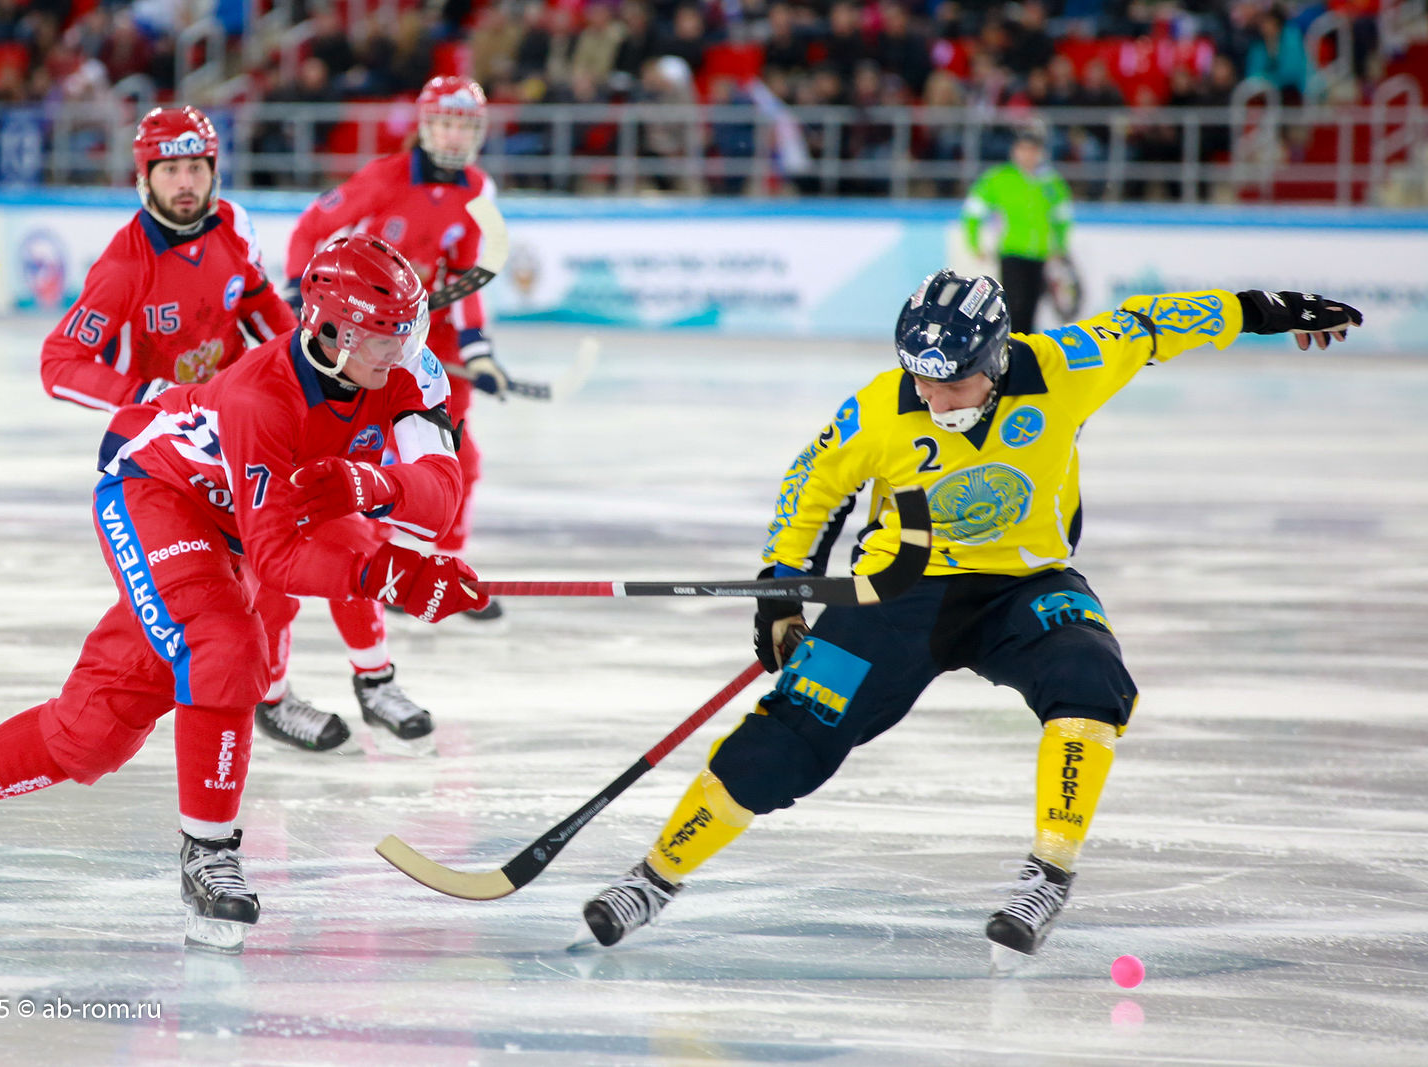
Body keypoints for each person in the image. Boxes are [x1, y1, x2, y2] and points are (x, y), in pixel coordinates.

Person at [582, 273, 1362, 961]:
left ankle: (1047, 875)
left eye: (950, 382)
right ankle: (653, 877)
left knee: (1090, 677)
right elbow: (810, 485)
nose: (931, 396)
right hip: (898, 592)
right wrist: (781, 589)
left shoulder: (1063, 367)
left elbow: (1156, 322)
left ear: (994, 360)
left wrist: (1265, 310)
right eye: (919, 378)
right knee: (790, 734)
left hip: (1025, 586)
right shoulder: (881, 407)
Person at [0, 236, 490, 952]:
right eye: (384, 334)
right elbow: (278, 557)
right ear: (330, 331)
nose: (404, 348)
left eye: (408, 329)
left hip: (243, 519)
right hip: (158, 492)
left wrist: (376, 486)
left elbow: (440, 493)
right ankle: (209, 854)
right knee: (227, 645)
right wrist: (390, 573)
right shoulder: (262, 396)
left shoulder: (407, 366)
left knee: (93, 732)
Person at [37, 106, 354, 754]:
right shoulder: (125, 267)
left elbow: (264, 312)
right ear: (144, 178)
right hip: (159, 452)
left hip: (231, 433)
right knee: (201, 601)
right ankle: (136, 716)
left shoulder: (232, 227)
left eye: (196, 168)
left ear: (214, 171)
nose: (185, 183)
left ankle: (270, 694)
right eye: (170, 170)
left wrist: (319, 359)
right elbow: (59, 362)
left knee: (275, 571)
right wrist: (146, 394)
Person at [281, 74, 512, 747]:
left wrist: (479, 347)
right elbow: (312, 228)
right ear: (424, 125)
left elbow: (466, 278)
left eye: (465, 125)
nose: (454, 136)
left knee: (458, 458)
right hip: (365, 337)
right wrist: (300, 300)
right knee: (361, 471)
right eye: (444, 122)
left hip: (427, 338)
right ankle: (389, 573)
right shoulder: (383, 178)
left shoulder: (478, 190)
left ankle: (440, 563)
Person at [961, 124, 1072, 333]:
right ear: (1014, 151)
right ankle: (1010, 343)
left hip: (1039, 252)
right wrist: (974, 242)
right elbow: (973, 211)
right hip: (1011, 250)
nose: (1028, 155)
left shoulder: (1051, 183)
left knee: (1031, 306)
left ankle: (1023, 345)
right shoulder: (1000, 178)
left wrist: (1060, 246)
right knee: (1013, 305)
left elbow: (1062, 217)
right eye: (1023, 149)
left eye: (1032, 150)